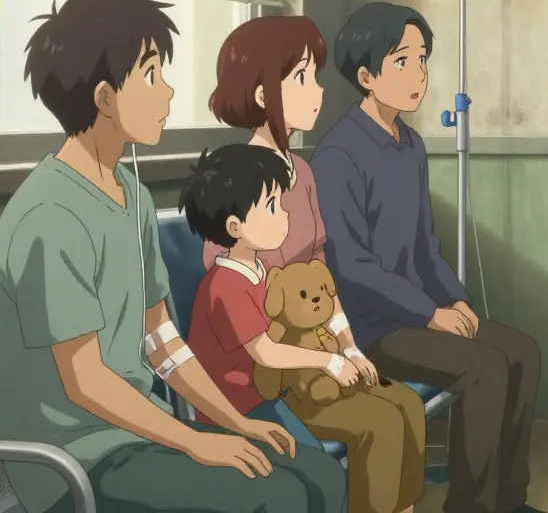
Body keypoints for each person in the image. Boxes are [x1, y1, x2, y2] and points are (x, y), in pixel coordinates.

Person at [0, 0, 345, 513]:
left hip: (140, 434)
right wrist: (195, 440)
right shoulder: (50, 215)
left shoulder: (132, 196)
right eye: (152, 75)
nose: (170, 91)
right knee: (279, 497)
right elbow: (86, 382)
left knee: (319, 475)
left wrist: (235, 422)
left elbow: (160, 337)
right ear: (106, 98)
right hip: (74, 461)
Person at [312, 2, 545, 513]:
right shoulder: (338, 155)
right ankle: (471, 507)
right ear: (367, 76)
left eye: (422, 59)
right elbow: (352, 267)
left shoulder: (411, 145)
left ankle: (509, 501)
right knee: (484, 366)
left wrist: (455, 301)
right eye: (402, 61)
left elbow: (425, 245)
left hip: (419, 313)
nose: (418, 73)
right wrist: (430, 314)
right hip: (370, 327)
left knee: (522, 352)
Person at [181, 144, 427, 513]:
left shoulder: (264, 270)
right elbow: (265, 351)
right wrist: (330, 362)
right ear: (235, 227)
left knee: (406, 403)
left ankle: (404, 507)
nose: (285, 214)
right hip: (252, 403)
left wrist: (348, 351)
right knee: (379, 422)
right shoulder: (224, 286)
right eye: (272, 206)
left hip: (289, 383)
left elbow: (307, 313)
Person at [203, 16, 379, 388]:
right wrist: (325, 357)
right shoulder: (234, 182)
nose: (318, 90)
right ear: (263, 96)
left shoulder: (304, 172)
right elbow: (232, 293)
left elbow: (319, 272)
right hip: (263, 366)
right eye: (302, 77)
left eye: (315, 76)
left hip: (315, 342)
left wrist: (349, 345)